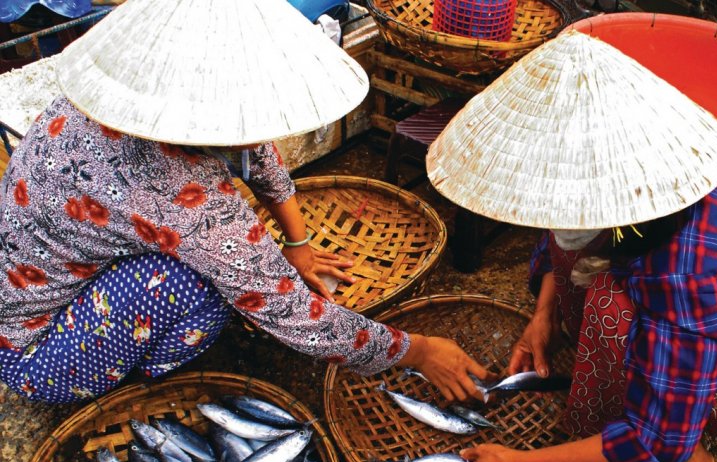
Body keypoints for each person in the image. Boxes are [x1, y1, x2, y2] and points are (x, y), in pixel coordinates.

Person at [426, 31, 717, 462]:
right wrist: (543, 317)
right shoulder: (651, 183)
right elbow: (560, 241)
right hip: (711, 326)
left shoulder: (689, 265)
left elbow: (657, 439)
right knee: (578, 261)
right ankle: (611, 385)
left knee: (611, 305)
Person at [0, 0, 487, 404]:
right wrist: (417, 351)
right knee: (203, 290)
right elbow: (291, 313)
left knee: (217, 266)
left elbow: (254, 148)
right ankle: (131, 384)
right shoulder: (181, 199)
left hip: (48, 281)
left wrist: (296, 242)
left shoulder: (122, 94)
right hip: (35, 354)